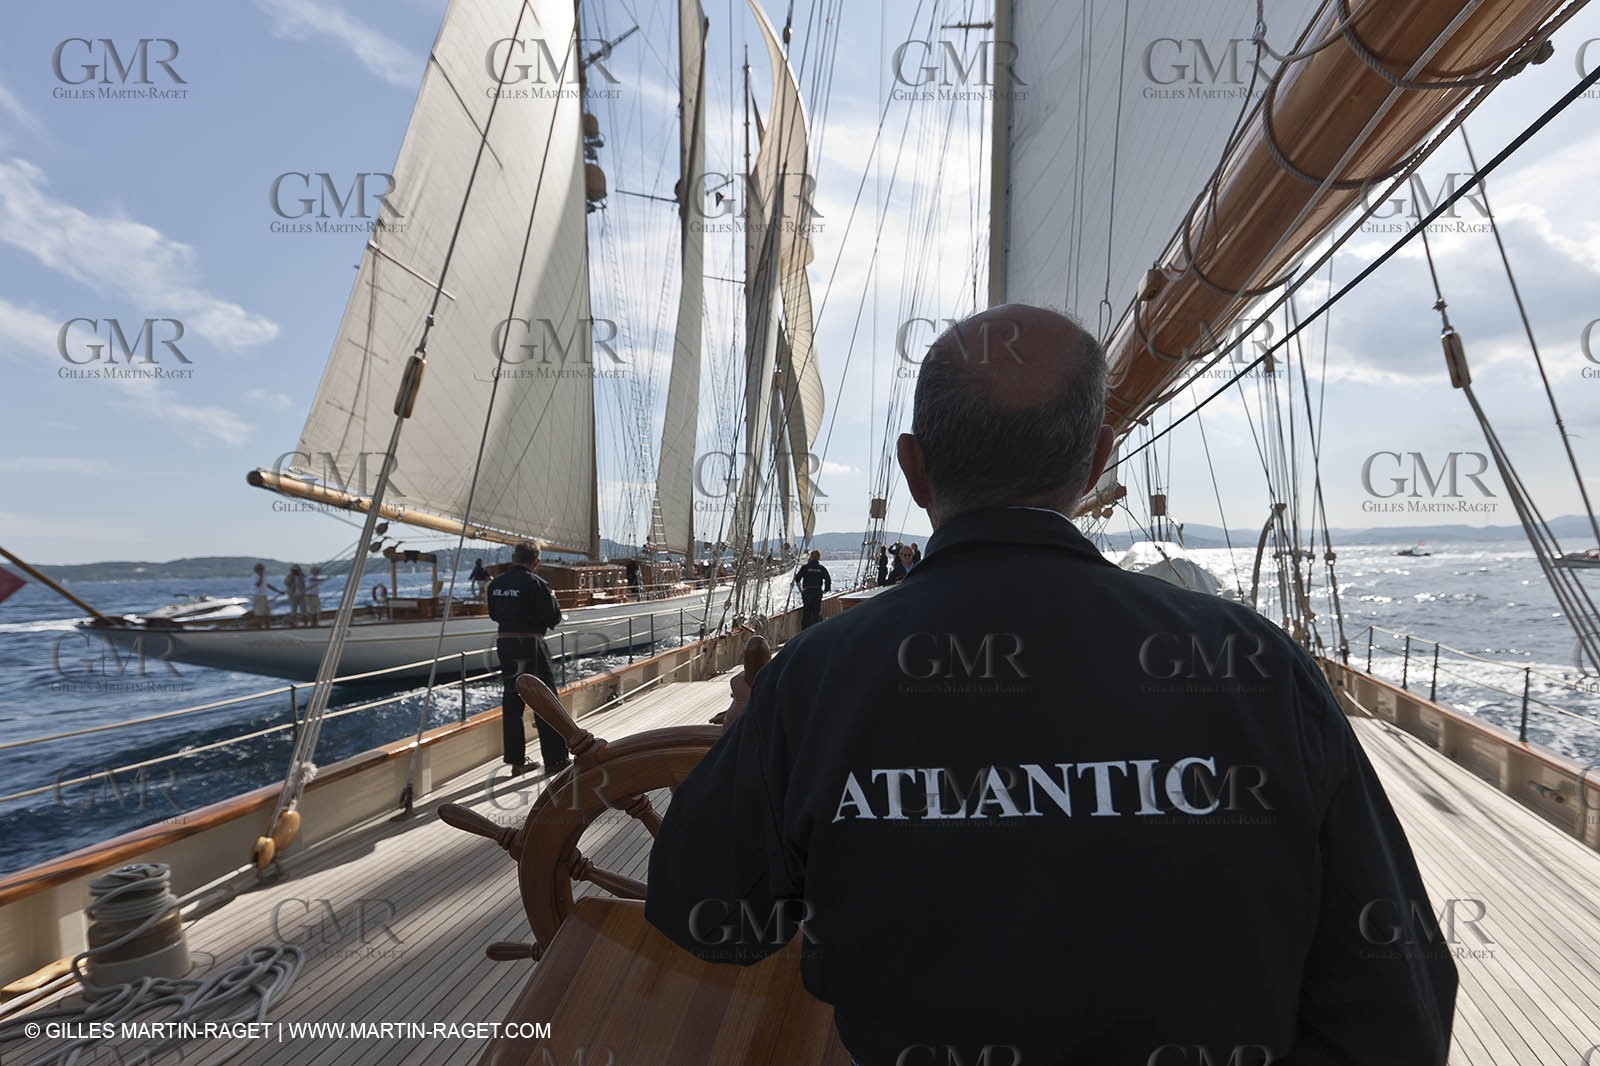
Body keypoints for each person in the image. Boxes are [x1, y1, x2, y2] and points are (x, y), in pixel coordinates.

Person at [645, 305, 1456, 1064]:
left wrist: (746, 751)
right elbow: (1398, 994)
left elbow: (706, 916)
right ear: (1097, 462)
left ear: (914, 467)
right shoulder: (1255, 664)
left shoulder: (815, 679)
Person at [487, 542, 570, 775]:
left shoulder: (496, 584)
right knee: (544, 699)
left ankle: (517, 762)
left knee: (512, 701)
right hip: (531, 645)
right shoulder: (537, 584)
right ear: (536, 561)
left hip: (505, 644)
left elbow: (494, 614)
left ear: (514, 558)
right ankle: (555, 760)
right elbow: (553, 618)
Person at [792, 550, 831, 628]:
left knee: (807, 613)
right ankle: (816, 631)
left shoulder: (805, 567)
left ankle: (804, 631)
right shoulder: (821, 568)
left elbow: (797, 579)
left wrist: (801, 590)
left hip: (807, 592)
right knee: (816, 612)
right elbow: (828, 580)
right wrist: (825, 590)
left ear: (811, 557)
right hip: (817, 592)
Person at [248, 563, 279, 628]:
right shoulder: (255, 576)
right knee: (259, 613)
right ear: (257, 569)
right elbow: (258, 584)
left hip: (264, 595)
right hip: (258, 596)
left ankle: (268, 625)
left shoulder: (262, 576)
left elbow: (267, 585)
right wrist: (261, 576)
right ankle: (258, 626)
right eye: (261, 569)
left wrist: (278, 591)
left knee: (266, 612)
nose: (262, 571)